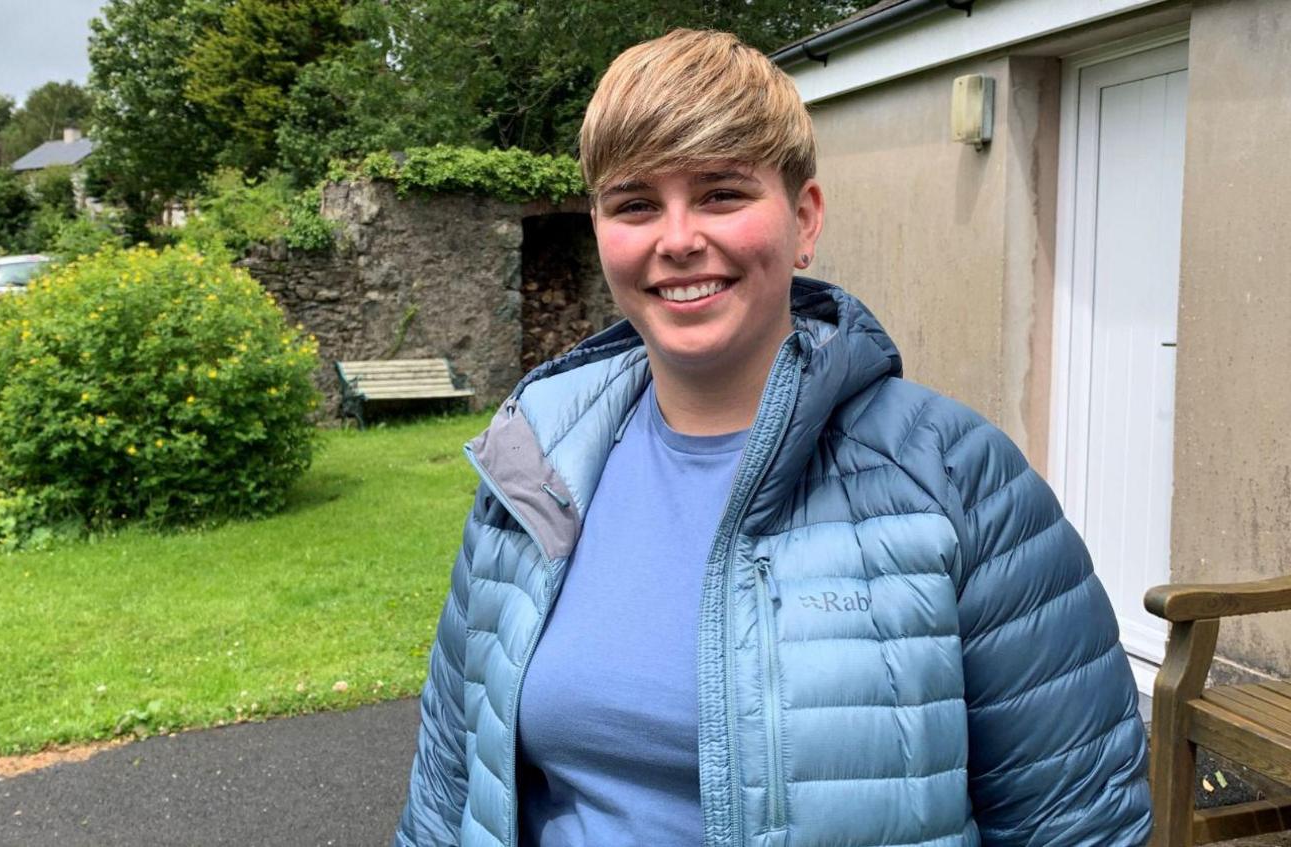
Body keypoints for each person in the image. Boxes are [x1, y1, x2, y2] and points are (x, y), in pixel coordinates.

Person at [395, 28, 1151, 847]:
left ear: (804, 219)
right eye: (636, 203)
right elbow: (448, 789)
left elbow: (1081, 825)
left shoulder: (960, 480)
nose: (677, 238)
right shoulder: (530, 470)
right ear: (601, 229)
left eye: (721, 193)